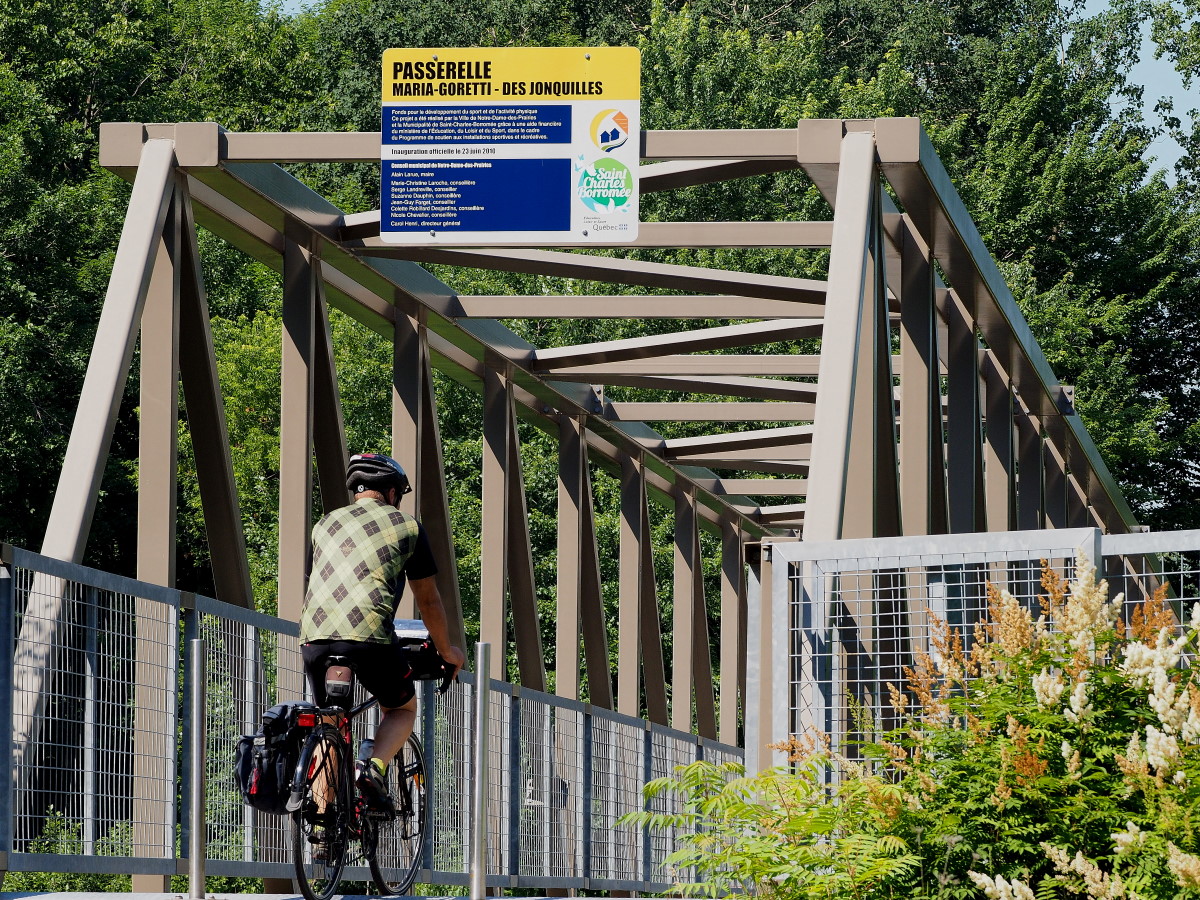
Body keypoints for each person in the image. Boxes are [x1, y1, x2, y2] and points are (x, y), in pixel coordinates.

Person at [299, 452, 464, 811]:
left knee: (331, 721)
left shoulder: (324, 524)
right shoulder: (406, 527)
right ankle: (373, 768)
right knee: (401, 708)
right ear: (391, 492)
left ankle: (323, 834)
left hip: (315, 635)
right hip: (368, 638)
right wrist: (447, 650)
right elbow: (429, 602)